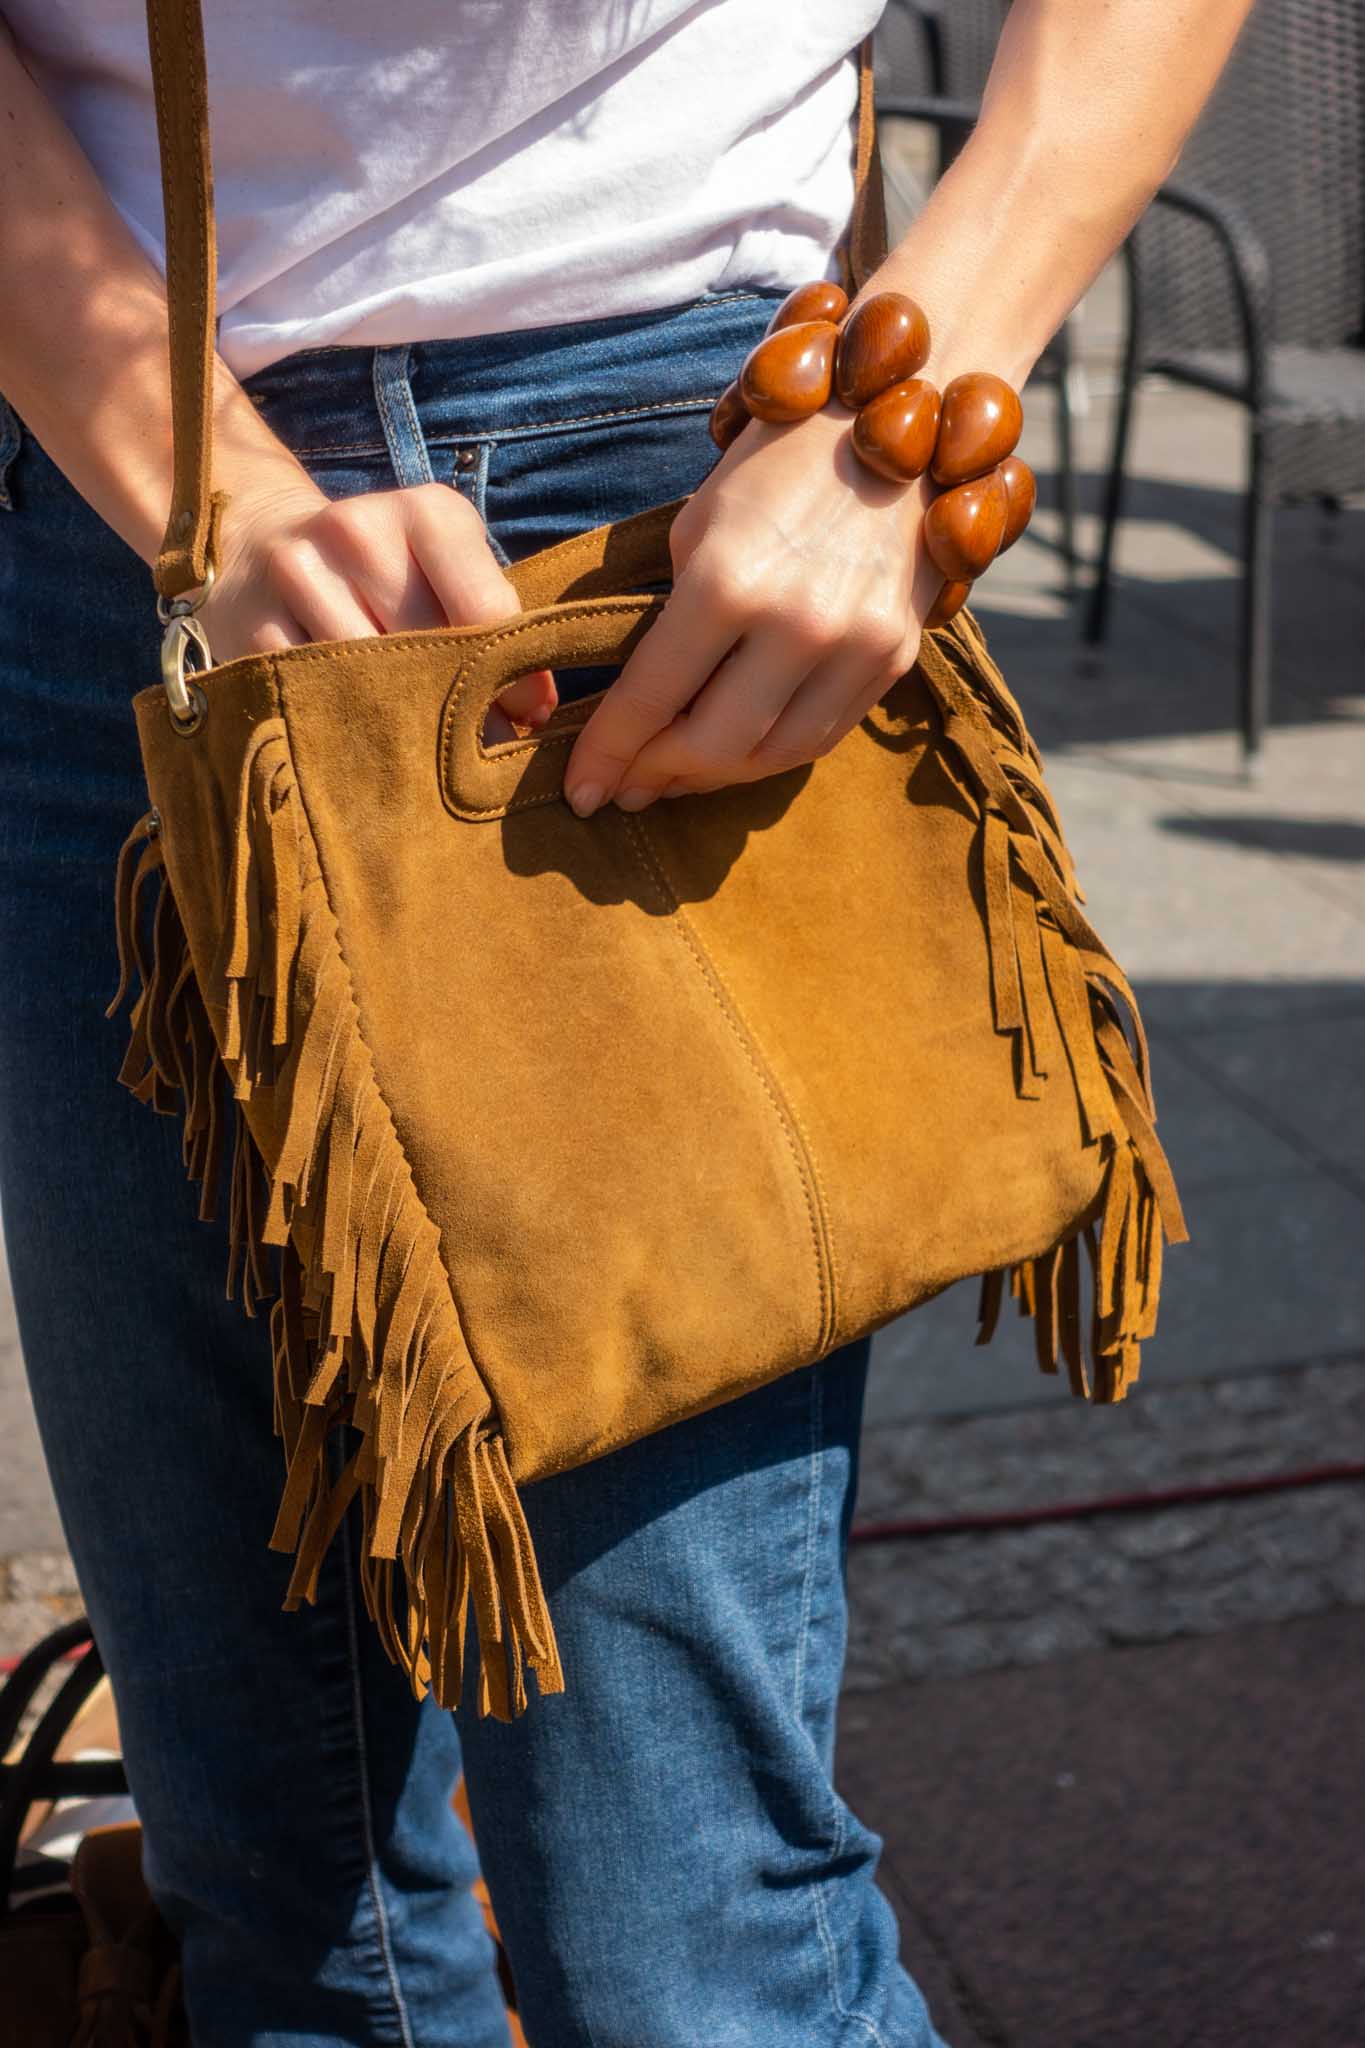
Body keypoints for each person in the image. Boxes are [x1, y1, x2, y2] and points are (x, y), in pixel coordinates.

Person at [0, 2, 1253, 2041]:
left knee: (681, 1939)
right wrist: (193, 479)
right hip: (109, 502)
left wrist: (909, 406)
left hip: (677, 472)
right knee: (275, 1902)